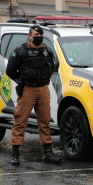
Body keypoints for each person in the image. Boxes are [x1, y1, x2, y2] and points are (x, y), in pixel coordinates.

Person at [6, 25, 61, 165]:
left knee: (45, 121)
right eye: (36, 34)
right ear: (30, 36)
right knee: (20, 120)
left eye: (40, 35)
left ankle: (48, 153)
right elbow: (10, 70)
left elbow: (53, 67)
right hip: (28, 89)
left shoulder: (47, 51)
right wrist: (21, 81)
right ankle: (15, 153)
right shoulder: (20, 51)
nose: (38, 37)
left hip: (43, 88)